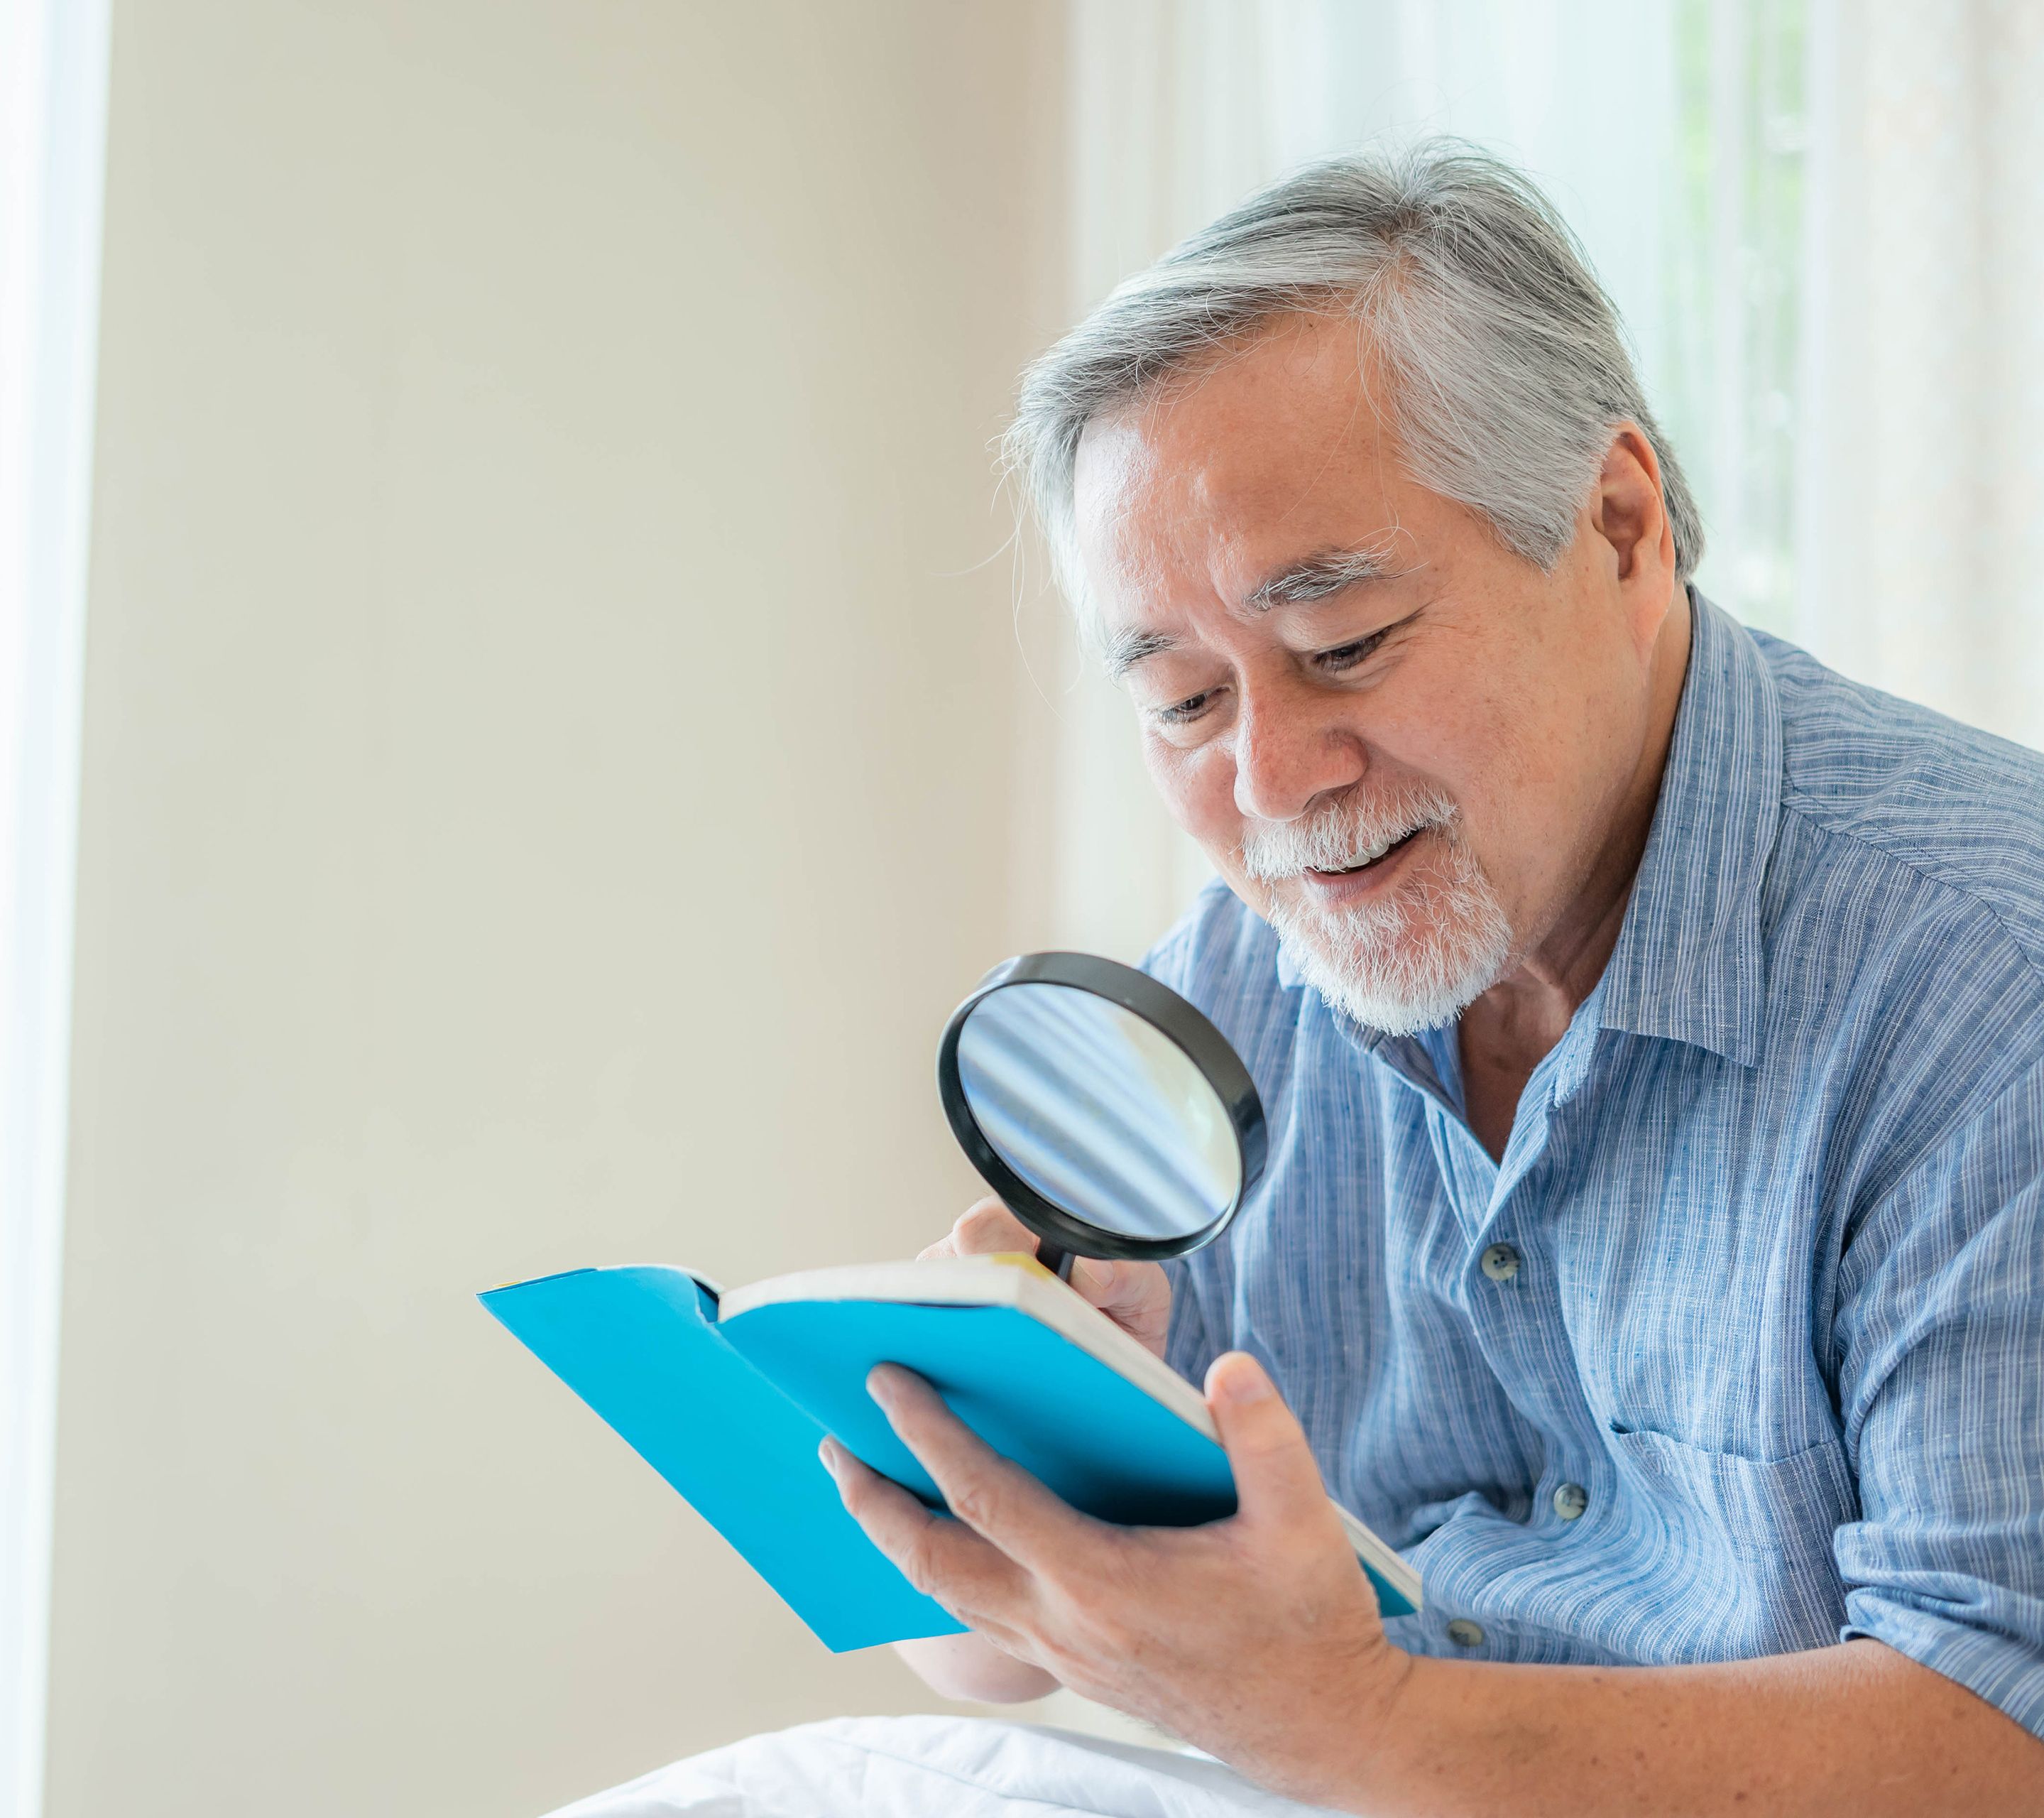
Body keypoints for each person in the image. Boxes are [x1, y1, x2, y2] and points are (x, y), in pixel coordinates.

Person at [554, 141, 2044, 1816]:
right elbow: (980, 1668)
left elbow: (1998, 1733)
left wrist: (1347, 1719)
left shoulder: (1991, 981)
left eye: (1343, 646)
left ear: (1618, 526)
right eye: (1186, 700)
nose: (1274, 782)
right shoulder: (1248, 983)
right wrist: (1023, 1423)